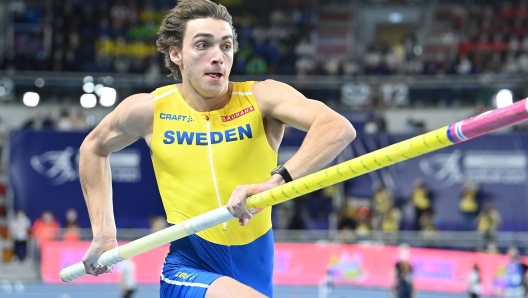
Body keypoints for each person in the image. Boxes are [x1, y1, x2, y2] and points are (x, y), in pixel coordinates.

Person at [79, 1, 356, 297]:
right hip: (189, 265)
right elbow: (93, 149)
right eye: (202, 45)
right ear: (176, 54)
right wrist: (104, 233)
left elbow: (337, 127)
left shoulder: (262, 98)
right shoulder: (149, 110)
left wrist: (275, 182)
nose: (218, 57)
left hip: (256, 265)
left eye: (226, 46)